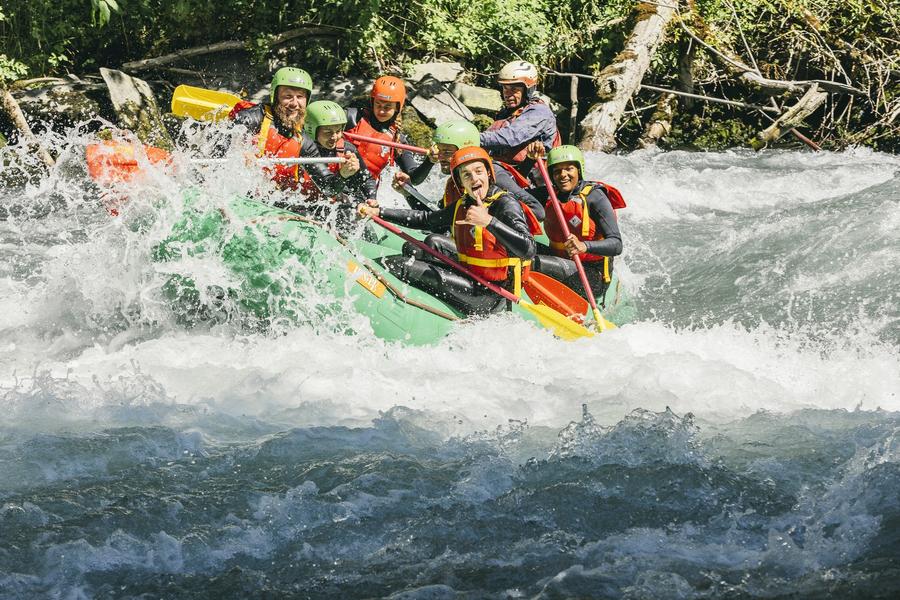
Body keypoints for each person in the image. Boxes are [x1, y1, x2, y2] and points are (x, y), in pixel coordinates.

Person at [359, 147, 536, 315]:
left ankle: (361, 275)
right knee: (413, 249)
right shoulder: (464, 203)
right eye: (467, 175)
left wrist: (489, 221)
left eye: (479, 171)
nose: (474, 179)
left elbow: (529, 249)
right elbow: (427, 219)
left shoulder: (505, 204)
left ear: (488, 173)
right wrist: (379, 212)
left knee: (399, 265)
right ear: (460, 182)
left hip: (491, 293)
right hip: (471, 273)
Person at [394, 119, 545, 221]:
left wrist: (489, 221)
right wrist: (408, 192)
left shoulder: (493, 175)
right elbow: (436, 218)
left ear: (466, 151)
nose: (439, 157)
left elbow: (537, 211)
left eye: (447, 152)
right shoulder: (457, 180)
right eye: (438, 150)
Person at [534, 145, 625, 303]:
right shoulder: (549, 194)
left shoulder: (595, 197)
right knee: (516, 247)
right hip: (560, 260)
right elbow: (514, 194)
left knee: (533, 262)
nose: (563, 175)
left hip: (592, 276)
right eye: (557, 171)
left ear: (579, 170)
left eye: (569, 169)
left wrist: (584, 246)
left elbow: (617, 244)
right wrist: (530, 160)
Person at [228, 66, 338, 192]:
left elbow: (328, 188)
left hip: (276, 198)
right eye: (288, 96)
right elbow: (221, 147)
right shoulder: (250, 118)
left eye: (300, 96)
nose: (294, 103)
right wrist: (239, 154)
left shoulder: (304, 142)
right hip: (241, 191)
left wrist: (344, 174)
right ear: (275, 97)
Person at [345, 76, 431, 185]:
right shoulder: (352, 117)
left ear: (397, 107)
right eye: (378, 104)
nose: (381, 111)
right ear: (372, 101)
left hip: (365, 192)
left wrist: (430, 161)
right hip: (336, 182)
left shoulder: (397, 141)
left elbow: (413, 179)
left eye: (387, 107)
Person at [480, 60, 561, 174]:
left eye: (514, 90)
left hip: (533, 176)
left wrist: (474, 138)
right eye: (505, 88)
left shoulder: (539, 112)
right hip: (506, 170)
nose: (507, 94)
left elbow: (511, 137)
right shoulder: (505, 113)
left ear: (528, 90)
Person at [302, 100, 377, 209]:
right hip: (307, 204)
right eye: (328, 132)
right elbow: (327, 188)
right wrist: (343, 175)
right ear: (311, 130)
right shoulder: (303, 150)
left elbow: (367, 179)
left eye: (338, 131)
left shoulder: (348, 149)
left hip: (335, 203)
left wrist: (371, 199)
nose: (334, 137)